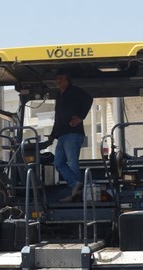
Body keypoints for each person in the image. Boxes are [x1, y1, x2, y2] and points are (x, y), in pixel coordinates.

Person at [49, 69, 93, 203]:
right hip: (61, 136)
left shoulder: (75, 91)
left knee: (72, 162)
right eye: (57, 79)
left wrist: (81, 117)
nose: (58, 81)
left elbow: (89, 99)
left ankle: (76, 194)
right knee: (58, 163)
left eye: (60, 78)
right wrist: (52, 135)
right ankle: (75, 186)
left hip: (73, 134)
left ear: (67, 79)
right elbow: (58, 117)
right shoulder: (59, 95)